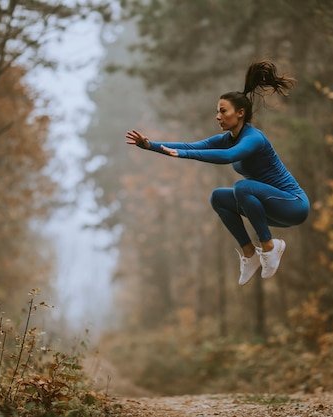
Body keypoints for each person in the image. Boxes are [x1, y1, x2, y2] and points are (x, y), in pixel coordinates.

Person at [125, 60, 309, 286]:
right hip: (269, 209)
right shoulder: (227, 139)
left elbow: (227, 156)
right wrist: (149, 145)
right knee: (219, 197)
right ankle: (250, 254)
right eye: (217, 111)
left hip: (294, 205)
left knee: (242, 187)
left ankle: (270, 247)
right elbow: (192, 146)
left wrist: (182, 155)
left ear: (240, 113)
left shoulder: (254, 139)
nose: (218, 116)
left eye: (223, 111)